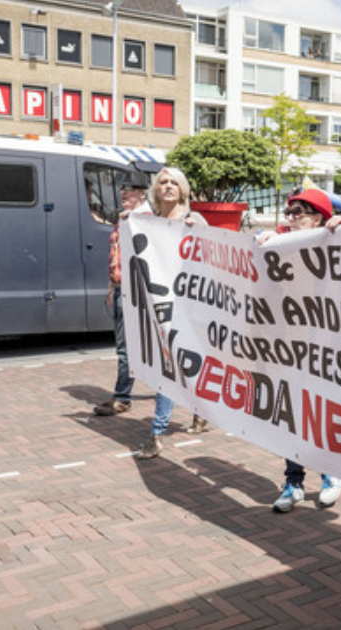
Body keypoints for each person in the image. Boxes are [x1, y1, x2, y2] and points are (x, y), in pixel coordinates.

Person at [257, 189, 341, 513]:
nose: (293, 216)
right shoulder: (282, 245)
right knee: (290, 415)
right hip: (289, 345)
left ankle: (330, 472)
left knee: (319, 412)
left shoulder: (334, 240)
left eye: (301, 211)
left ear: (319, 217)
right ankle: (293, 481)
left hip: (324, 346)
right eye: (291, 210)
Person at [134, 167, 209, 460]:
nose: (167, 187)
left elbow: (210, 258)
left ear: (182, 189)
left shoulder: (194, 219)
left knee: (176, 364)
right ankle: (196, 413)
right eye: (162, 182)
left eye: (173, 183)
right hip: (160, 302)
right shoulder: (148, 222)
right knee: (170, 364)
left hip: (188, 306)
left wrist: (196, 233)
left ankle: (157, 432)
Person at [93, 170, 152, 418]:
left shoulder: (147, 220)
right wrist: (111, 284)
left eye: (129, 188)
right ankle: (123, 394)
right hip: (121, 290)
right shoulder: (126, 218)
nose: (123, 192)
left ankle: (122, 397)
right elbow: (116, 253)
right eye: (122, 188)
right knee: (126, 347)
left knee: (128, 348)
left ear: (142, 193)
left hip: (136, 293)